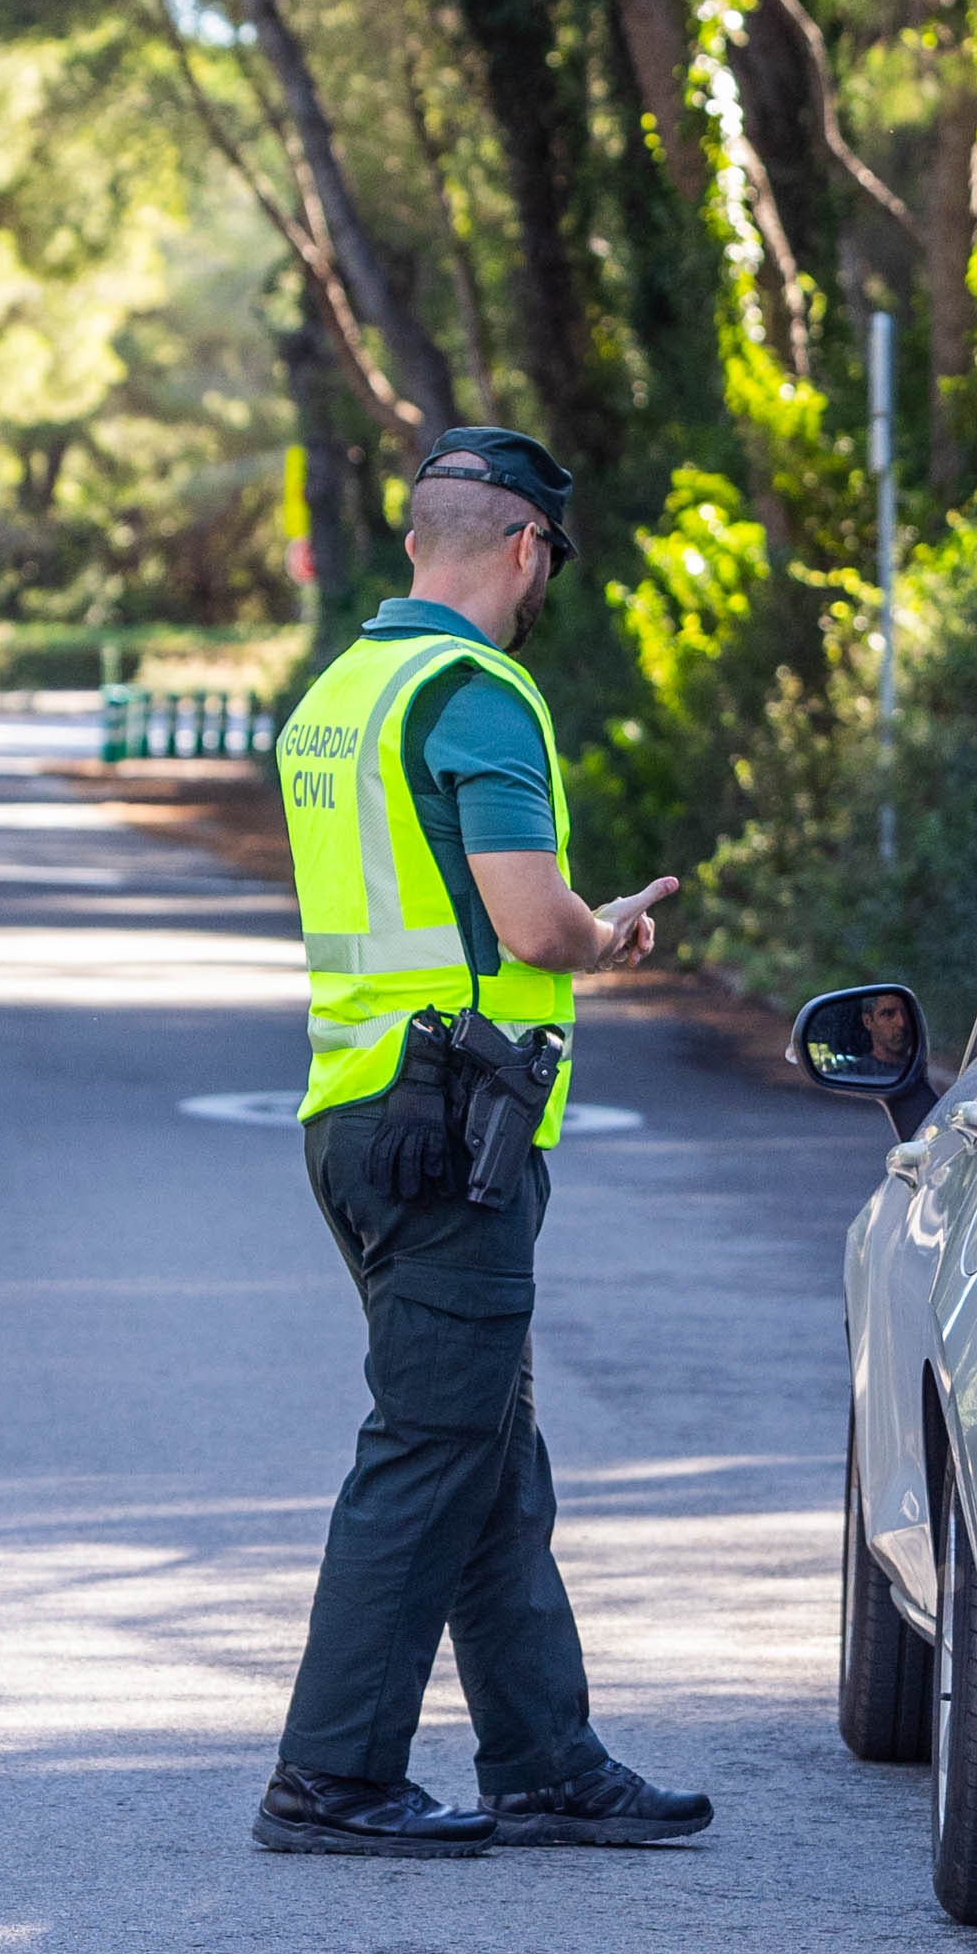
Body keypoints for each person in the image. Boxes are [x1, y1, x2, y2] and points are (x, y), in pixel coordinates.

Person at [248, 427, 711, 1859]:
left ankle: (546, 1761)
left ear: (413, 543)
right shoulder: (477, 694)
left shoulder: (342, 693)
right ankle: (328, 1781)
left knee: (489, 1454)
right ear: (524, 548)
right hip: (453, 1132)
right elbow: (526, 920)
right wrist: (607, 931)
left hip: (362, 1115)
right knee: (435, 1446)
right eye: (547, 565)